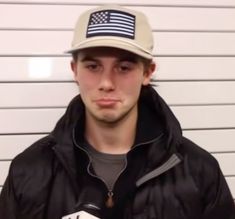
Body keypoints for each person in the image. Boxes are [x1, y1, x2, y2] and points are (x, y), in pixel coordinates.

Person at [0, 4, 234, 219]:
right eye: (93, 66)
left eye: (123, 67)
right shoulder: (28, 171)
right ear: (74, 70)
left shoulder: (200, 172)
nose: (106, 82)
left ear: (147, 73)